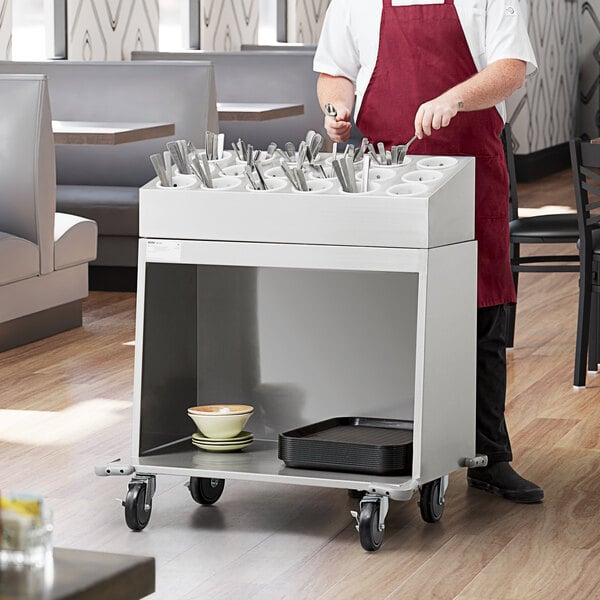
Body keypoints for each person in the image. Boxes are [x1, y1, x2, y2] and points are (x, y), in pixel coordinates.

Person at [314, 0, 543, 503]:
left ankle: (489, 458)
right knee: (383, 316)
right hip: (388, 174)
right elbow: (334, 70)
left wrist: (455, 99)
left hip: (471, 174)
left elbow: (510, 71)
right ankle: (376, 453)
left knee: (482, 314)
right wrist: (337, 109)